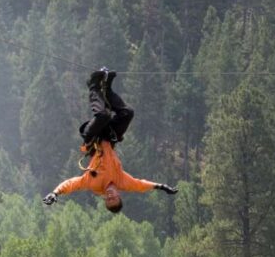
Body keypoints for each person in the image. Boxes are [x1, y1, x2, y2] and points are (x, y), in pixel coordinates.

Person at [42, 69, 177, 213]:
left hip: (92, 138)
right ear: (119, 195)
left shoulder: (93, 184)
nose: (110, 196)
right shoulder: (122, 182)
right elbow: (140, 185)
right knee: (127, 113)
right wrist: (161, 187)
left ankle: (93, 84)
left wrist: (55, 193)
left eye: (108, 200)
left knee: (103, 115)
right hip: (109, 138)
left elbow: (71, 183)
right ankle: (107, 91)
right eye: (114, 199)